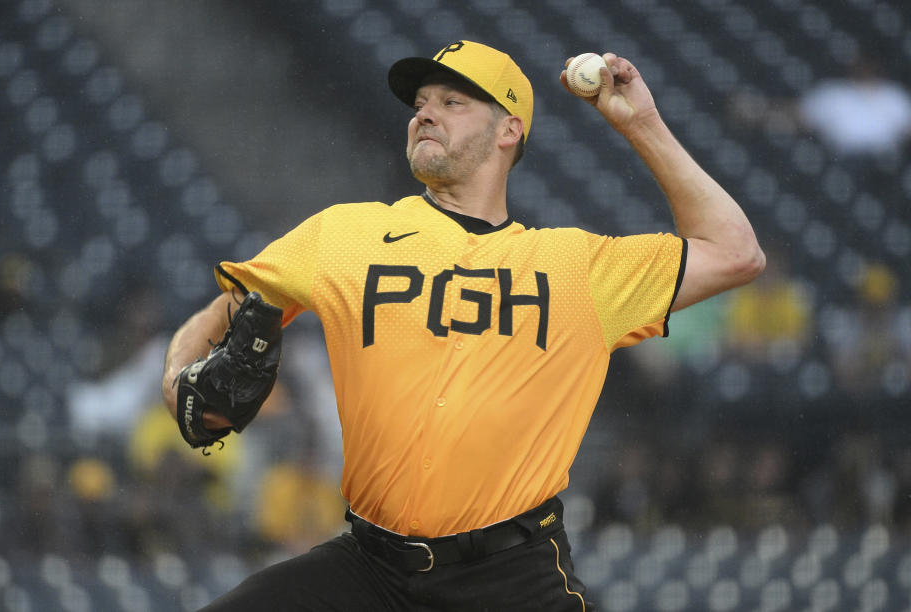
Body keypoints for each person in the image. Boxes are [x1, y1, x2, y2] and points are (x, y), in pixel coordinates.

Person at [161, 40, 765, 611]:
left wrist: (641, 125)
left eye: (453, 102)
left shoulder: (578, 268)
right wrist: (180, 376)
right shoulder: (345, 234)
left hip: (511, 579)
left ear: (510, 130)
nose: (426, 114)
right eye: (420, 104)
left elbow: (735, 252)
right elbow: (229, 304)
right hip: (369, 568)